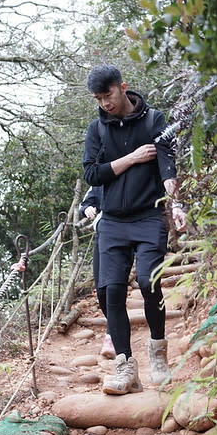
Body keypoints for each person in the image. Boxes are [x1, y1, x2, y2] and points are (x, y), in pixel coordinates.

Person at [82, 64, 186, 395]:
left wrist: (177, 204)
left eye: (108, 95)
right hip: (112, 220)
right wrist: (131, 158)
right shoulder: (97, 130)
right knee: (109, 291)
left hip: (148, 216)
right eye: (98, 99)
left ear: (122, 87)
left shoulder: (154, 121)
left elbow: (166, 165)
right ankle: (125, 367)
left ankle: (158, 353)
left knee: (148, 280)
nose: (104, 104)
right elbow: (92, 175)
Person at [78, 185, 116, 359]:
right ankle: (116, 327)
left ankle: (112, 336)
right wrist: (88, 209)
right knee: (101, 290)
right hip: (102, 234)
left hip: (125, 233)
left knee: (114, 286)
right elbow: (84, 204)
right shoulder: (99, 180)